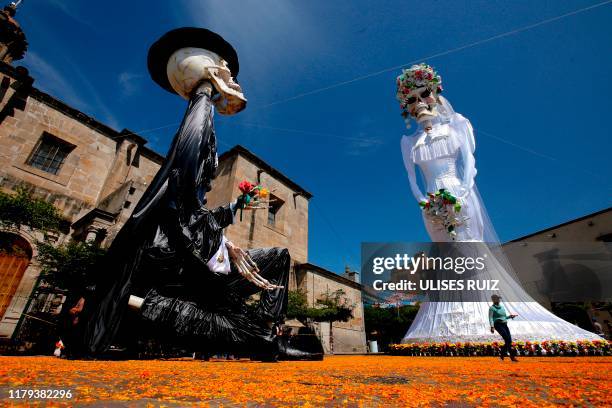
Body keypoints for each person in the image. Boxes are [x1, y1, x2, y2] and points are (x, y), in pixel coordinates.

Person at [489, 294, 518, 361]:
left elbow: (504, 317)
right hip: (498, 325)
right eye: (497, 299)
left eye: (499, 299)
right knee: (507, 339)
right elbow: (490, 318)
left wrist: (510, 316)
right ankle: (512, 357)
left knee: (509, 341)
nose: (498, 300)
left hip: (504, 324)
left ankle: (502, 355)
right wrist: (492, 326)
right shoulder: (492, 308)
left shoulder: (502, 307)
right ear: (493, 300)